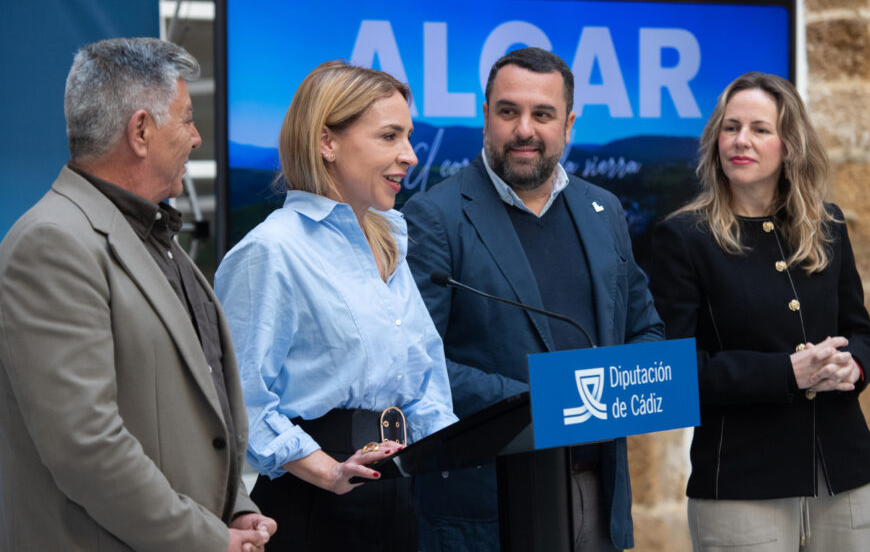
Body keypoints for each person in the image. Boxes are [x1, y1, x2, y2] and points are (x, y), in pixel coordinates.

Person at [0, 37, 276, 551]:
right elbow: (86, 449)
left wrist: (233, 508)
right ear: (142, 131)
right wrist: (207, 538)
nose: (196, 138)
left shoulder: (155, 240)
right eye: (188, 119)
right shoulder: (53, 244)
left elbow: (194, 416)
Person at [402, 47, 664, 551]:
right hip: (489, 499)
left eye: (542, 114)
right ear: (486, 118)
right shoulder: (435, 216)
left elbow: (645, 328)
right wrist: (539, 403)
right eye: (508, 112)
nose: (525, 129)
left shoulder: (602, 209)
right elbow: (419, 365)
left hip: (595, 490)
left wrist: (628, 383)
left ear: (567, 124)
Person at [214, 60, 457, 552]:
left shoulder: (388, 242)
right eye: (389, 136)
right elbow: (237, 399)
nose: (410, 155)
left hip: (396, 494)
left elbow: (423, 370)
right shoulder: (271, 252)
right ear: (327, 142)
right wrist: (326, 470)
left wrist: (448, 447)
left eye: (408, 136)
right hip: (314, 505)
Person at [648, 72, 870, 551]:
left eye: (759, 129)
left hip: (846, 475)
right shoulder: (684, 238)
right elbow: (672, 371)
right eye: (730, 128)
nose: (740, 141)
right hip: (741, 482)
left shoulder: (827, 225)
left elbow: (860, 331)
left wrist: (853, 364)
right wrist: (787, 373)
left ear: (789, 145)